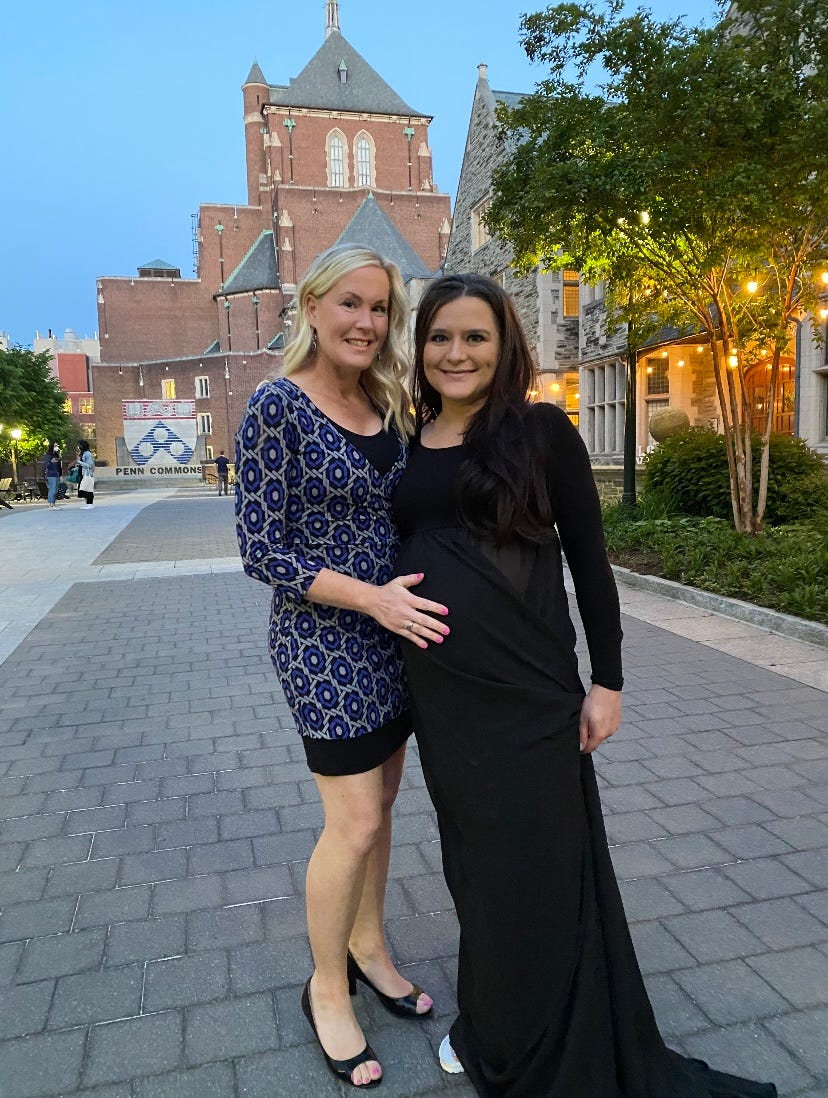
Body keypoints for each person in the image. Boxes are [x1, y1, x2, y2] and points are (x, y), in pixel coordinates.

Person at [392, 274, 777, 1098]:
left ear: (505, 347)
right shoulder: (408, 435)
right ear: (419, 348)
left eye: (475, 337)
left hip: (529, 689)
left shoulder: (540, 430)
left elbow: (588, 560)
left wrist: (609, 682)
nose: (456, 353)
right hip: (442, 695)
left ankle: (547, 1025)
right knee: (474, 860)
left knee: (536, 858)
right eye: (440, 338)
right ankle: (494, 1017)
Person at [235, 244, 450, 1088]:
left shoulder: (388, 402)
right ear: (314, 308)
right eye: (352, 304)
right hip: (326, 640)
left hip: (396, 636)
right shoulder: (275, 407)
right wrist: (371, 600)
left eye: (382, 309)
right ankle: (326, 987)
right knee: (353, 820)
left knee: (386, 805)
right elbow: (261, 549)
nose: (367, 322)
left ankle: (369, 946)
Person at [76, 440, 95, 507]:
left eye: (79, 445)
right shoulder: (83, 454)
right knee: (83, 489)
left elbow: (89, 465)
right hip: (83, 474)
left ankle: (90, 504)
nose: (78, 447)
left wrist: (79, 462)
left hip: (87, 474)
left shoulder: (87, 454)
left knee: (87, 489)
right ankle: (87, 503)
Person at [44, 442, 62, 508]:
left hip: (57, 473)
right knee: (52, 489)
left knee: (56, 489)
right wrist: (51, 462)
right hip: (51, 474)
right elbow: (46, 464)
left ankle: (54, 504)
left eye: (57, 446)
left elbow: (59, 464)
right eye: (55, 446)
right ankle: (51, 504)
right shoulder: (48, 455)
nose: (56, 447)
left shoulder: (56, 454)